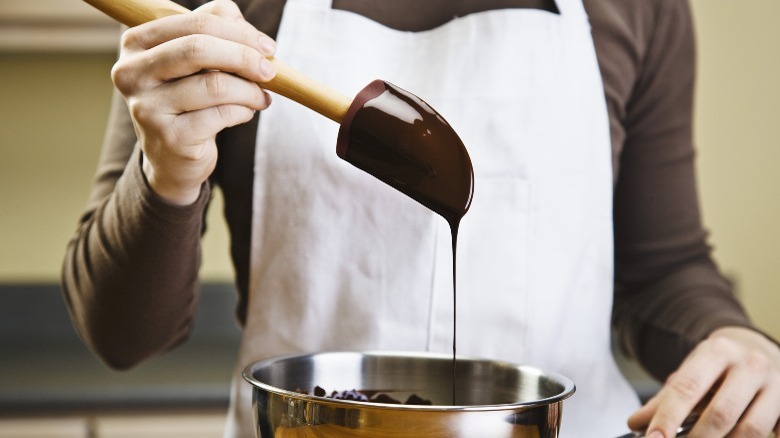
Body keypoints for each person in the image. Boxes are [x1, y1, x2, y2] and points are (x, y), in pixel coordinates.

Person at [62, 0, 780, 437]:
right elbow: (122, 336)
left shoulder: (640, 9)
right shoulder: (214, 15)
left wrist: (737, 342)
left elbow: (663, 269)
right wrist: (168, 173)